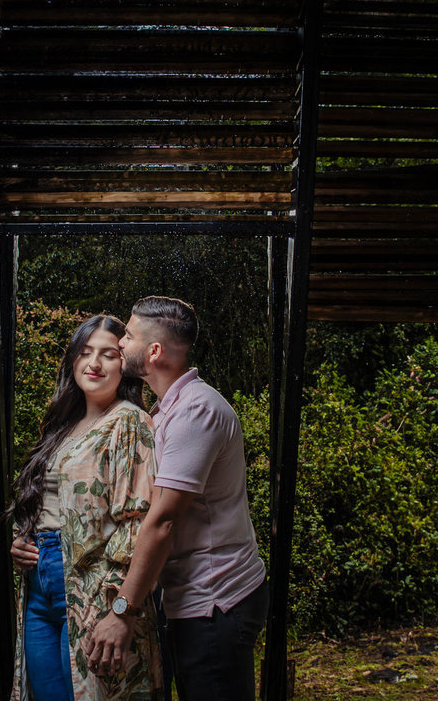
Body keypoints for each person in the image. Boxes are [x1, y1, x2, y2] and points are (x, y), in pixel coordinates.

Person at [85, 296, 268, 701]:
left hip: (217, 600)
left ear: (154, 351)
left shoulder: (195, 412)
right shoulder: (167, 410)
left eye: (128, 336)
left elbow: (163, 520)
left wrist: (122, 612)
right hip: (187, 600)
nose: (120, 345)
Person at [7, 314, 165, 701]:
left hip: (95, 588)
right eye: (85, 352)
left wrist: (122, 610)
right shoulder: (61, 426)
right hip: (38, 588)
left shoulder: (129, 422)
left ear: (124, 364)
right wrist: (21, 541)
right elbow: (48, 503)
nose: (94, 363)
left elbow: (139, 525)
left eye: (108, 354)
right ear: (72, 361)